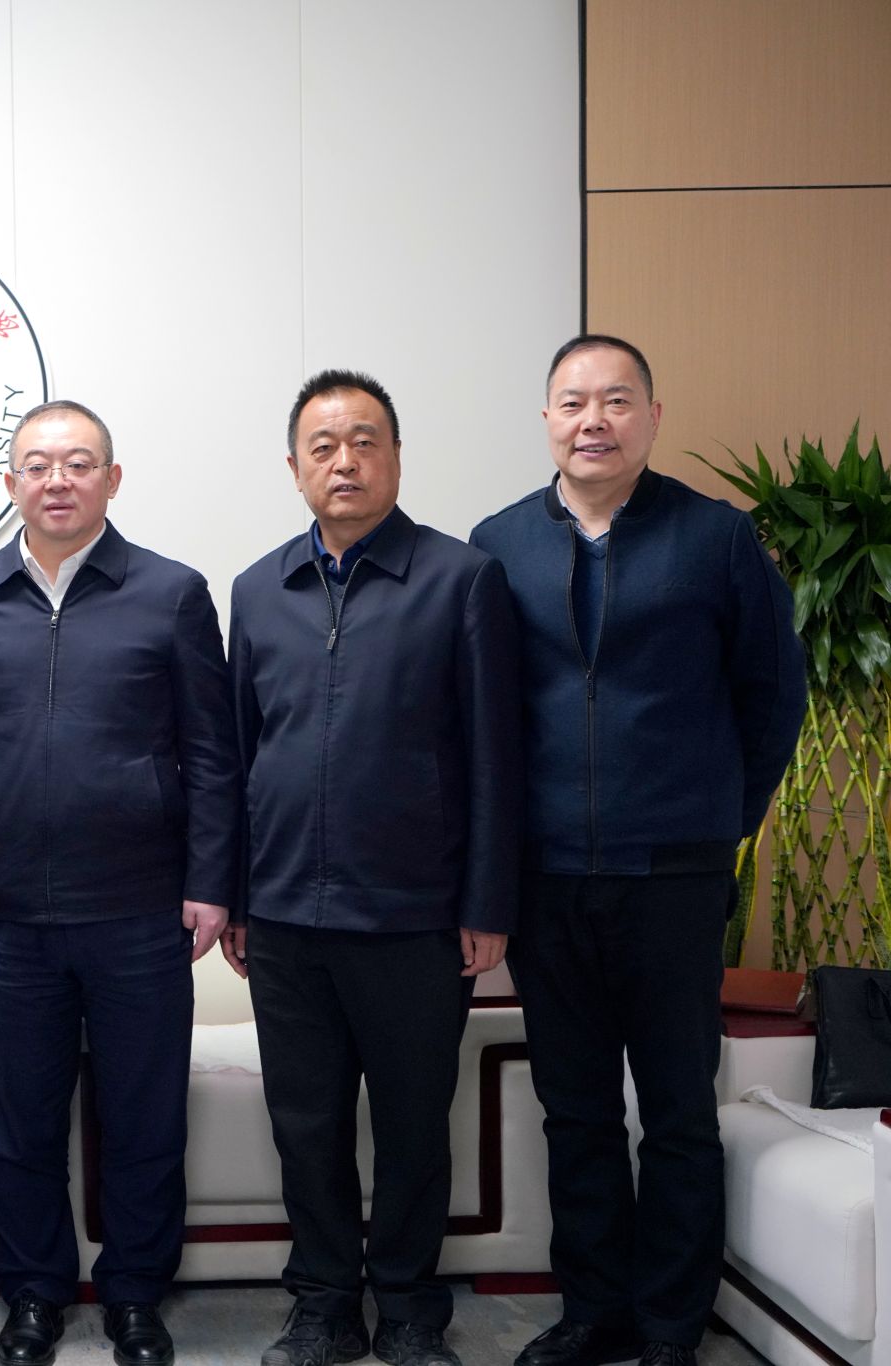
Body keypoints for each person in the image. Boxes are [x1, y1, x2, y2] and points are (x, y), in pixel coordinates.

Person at [470, 336, 807, 1366]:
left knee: (676, 1112)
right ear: (545, 419)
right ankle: (593, 1311)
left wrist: (717, 817)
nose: (594, 420)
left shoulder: (716, 537)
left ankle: (668, 1323)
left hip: (673, 875)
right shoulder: (496, 543)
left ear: (652, 417)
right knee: (573, 1111)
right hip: (546, 879)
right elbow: (482, 716)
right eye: (573, 401)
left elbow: (772, 693)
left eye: (616, 400)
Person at [223, 370, 523, 1366]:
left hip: (413, 916)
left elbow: (493, 754)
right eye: (323, 446)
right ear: (294, 466)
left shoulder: (460, 579)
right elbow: (237, 754)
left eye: (364, 441)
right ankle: (322, 1307)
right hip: (284, 918)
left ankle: (406, 1308)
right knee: (305, 1126)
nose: (343, 461)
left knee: (411, 1128)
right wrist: (235, 894)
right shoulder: (257, 589)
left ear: (395, 456)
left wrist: (486, 900)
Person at [0, 399, 242, 1366]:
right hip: (8, 913)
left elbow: (212, 751)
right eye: (37, 464)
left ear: (112, 479)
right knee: (17, 1119)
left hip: (141, 908)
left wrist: (210, 880)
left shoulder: (172, 593)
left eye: (78, 463)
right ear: (11, 483)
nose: (57, 480)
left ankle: (136, 1293)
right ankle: (35, 1292)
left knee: (143, 1115)